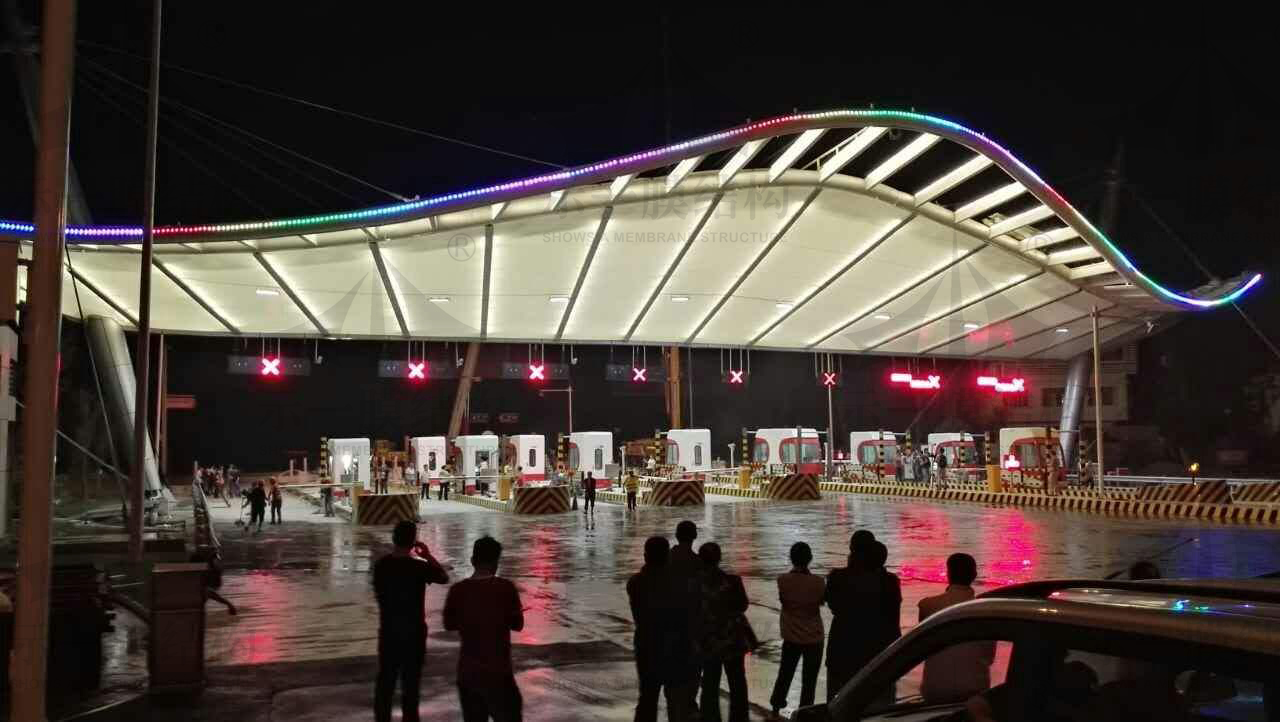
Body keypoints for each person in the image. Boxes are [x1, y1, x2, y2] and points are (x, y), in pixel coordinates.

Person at [373, 521, 448, 722]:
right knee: (411, 685)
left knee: (385, 683)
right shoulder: (418, 567)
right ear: (413, 541)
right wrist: (427, 555)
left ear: (393, 539)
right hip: (413, 633)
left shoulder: (381, 566)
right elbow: (443, 577)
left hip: (388, 632)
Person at [443, 536, 524, 722]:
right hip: (499, 674)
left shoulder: (457, 590)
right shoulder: (506, 588)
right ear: (497, 562)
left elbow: (449, 624)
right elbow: (518, 625)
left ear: (472, 561)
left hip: (468, 674)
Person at [627, 536, 698, 722]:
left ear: (645, 556)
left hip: (647, 645)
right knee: (676, 699)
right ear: (667, 556)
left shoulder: (635, 583)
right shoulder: (679, 583)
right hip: (676, 646)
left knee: (648, 696)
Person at [825, 533, 901, 703]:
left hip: (842, 654)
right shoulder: (889, 582)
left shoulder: (838, 578)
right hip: (878, 657)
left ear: (852, 550)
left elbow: (834, 606)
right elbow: (893, 621)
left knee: (840, 707)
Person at [918, 553, 995, 705]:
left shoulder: (927, 606)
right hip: (974, 691)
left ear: (948, 573)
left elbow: (922, 649)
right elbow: (989, 657)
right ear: (974, 575)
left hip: (934, 690)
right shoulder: (988, 611)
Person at [696, 542, 750, 722]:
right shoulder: (733, 581)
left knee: (710, 682)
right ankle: (740, 718)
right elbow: (742, 605)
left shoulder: (694, 586)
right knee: (737, 683)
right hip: (732, 640)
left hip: (708, 641)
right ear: (719, 558)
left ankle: (710, 717)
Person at [769, 542, 825, 716]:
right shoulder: (818, 582)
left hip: (791, 636)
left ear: (791, 558)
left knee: (785, 673)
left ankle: (776, 707)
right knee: (809, 681)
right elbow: (821, 602)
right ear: (810, 559)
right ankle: (805, 712)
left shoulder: (783, 580)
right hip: (814, 637)